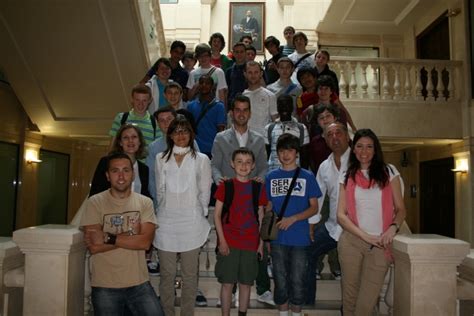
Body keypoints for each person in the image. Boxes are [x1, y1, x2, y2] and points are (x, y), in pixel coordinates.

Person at [81, 152, 164, 316]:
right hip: (105, 286)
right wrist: (132, 233)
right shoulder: (95, 202)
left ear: (133, 175)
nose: (121, 176)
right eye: (115, 171)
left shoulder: (144, 202)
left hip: (139, 283)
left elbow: (145, 243)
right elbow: (94, 246)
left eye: (126, 170)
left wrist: (107, 236)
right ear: (107, 175)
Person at [211, 95, 274, 306]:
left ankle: (257, 290)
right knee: (229, 258)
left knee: (250, 257)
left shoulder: (258, 139)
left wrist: (260, 178)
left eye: (245, 109)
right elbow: (214, 165)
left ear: (250, 113)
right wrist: (219, 179)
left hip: (249, 199)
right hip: (229, 198)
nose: (241, 113)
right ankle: (230, 290)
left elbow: (264, 167)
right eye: (237, 109)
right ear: (231, 113)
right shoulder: (220, 138)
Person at [337, 128, 407, 316]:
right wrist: (364, 236)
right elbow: (341, 215)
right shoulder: (346, 174)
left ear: (375, 150)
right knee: (349, 299)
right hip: (352, 241)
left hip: (381, 243)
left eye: (369, 146)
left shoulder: (389, 171)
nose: (364, 151)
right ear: (353, 149)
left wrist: (393, 227)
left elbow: (401, 209)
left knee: (366, 303)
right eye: (359, 146)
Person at [154, 117, 212, 316]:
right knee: (167, 275)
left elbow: (205, 190)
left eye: (185, 130)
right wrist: (164, 211)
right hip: (166, 222)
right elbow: (159, 191)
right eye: (176, 131)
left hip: (191, 222)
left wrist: (201, 213)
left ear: (191, 134)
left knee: (190, 276)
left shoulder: (202, 159)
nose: (181, 135)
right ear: (170, 135)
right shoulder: (160, 158)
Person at [265, 133, 321, 316]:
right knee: (280, 280)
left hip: (300, 238)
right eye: (282, 150)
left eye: (290, 150)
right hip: (277, 239)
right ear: (277, 153)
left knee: (298, 281)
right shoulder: (271, 177)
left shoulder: (307, 176)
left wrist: (294, 218)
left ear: (296, 152)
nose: (286, 154)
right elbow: (268, 207)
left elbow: (314, 208)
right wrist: (265, 235)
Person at [214, 147, 267, 316]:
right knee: (227, 283)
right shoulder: (226, 186)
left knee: (246, 283)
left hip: (250, 243)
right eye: (239, 162)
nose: (243, 166)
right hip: (229, 242)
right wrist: (221, 241)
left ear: (252, 166)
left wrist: (260, 244)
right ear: (232, 164)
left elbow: (261, 216)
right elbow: (216, 216)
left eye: (248, 162)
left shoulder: (258, 188)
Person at [306, 122, 350, 305]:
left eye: (338, 133)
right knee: (307, 251)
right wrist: (312, 225)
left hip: (355, 231)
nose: (334, 137)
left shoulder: (360, 160)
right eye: (329, 134)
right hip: (333, 227)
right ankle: (307, 302)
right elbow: (318, 197)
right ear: (324, 139)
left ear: (347, 135)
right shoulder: (324, 166)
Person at [91, 124, 151, 199]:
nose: (130, 141)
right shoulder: (106, 162)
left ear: (139, 142)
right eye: (126, 138)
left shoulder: (144, 169)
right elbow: (95, 193)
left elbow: (144, 196)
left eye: (134, 137)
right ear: (120, 142)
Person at [265, 95, 309, 171]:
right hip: (273, 172)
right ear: (277, 107)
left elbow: (305, 156)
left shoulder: (301, 128)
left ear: (292, 107)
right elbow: (267, 154)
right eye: (281, 105)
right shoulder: (269, 128)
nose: (284, 108)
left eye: (287, 105)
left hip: (294, 173)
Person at [187, 75, 226, 157]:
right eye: (201, 83)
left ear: (212, 86)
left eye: (207, 83)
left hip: (213, 149)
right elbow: (188, 128)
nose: (204, 85)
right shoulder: (190, 106)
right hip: (195, 149)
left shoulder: (219, 106)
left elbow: (221, 131)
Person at [243, 61, 278, 137]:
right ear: (245, 74)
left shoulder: (270, 95)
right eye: (250, 72)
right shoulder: (242, 97)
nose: (253, 75)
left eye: (256, 72)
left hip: (263, 141)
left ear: (261, 74)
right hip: (245, 140)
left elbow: (275, 121)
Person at [226, 42, 248, 108]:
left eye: (241, 52)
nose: (239, 54)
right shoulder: (229, 71)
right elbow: (227, 91)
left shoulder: (252, 69)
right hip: (233, 104)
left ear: (245, 53)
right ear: (233, 54)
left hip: (249, 102)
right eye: (237, 52)